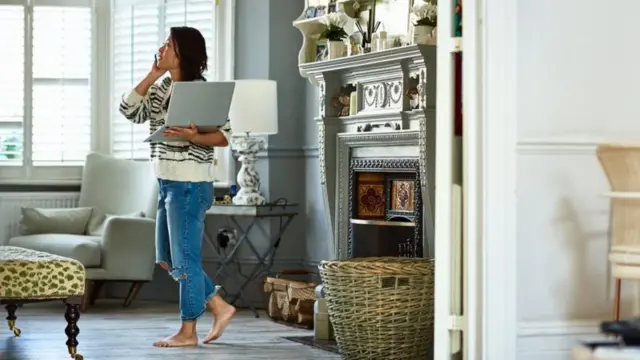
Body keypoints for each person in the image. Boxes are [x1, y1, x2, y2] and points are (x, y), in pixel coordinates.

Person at [118, 26, 235, 348]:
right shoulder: (162, 88)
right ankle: (219, 306)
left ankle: (188, 331)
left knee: (184, 261)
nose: (161, 48)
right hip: (167, 181)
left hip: (190, 183)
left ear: (183, 52)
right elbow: (129, 110)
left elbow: (225, 136)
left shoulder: (201, 91)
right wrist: (152, 73)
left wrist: (193, 136)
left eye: (168, 44)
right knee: (167, 259)